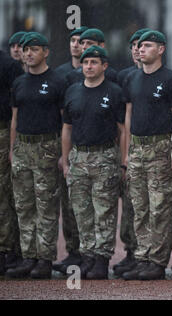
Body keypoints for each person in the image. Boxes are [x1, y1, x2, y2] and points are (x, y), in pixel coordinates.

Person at [62, 46, 126, 280]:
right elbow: (66, 129)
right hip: (79, 157)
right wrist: (67, 160)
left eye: (94, 62)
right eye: (85, 62)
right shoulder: (72, 92)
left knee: (104, 211)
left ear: (104, 66)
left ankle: (102, 259)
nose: (88, 66)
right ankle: (87, 256)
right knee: (81, 211)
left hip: (105, 156)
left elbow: (122, 130)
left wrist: (121, 162)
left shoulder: (115, 92)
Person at [122, 30, 172, 281]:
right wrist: (126, 154)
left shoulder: (170, 79)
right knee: (139, 206)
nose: (140, 49)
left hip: (160, 148)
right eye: (139, 46)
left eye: (147, 45)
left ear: (161, 49)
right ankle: (142, 256)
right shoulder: (132, 78)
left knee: (160, 207)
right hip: (137, 147)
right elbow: (128, 116)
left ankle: (157, 261)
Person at [6, 33, 66, 279]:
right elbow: (14, 119)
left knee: (46, 206)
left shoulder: (57, 81)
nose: (28, 54)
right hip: (23, 147)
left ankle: (44, 258)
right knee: (24, 206)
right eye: (25, 50)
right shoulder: (19, 82)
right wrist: (12, 149)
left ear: (45, 52)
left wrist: (63, 153)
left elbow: (65, 122)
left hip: (47, 148)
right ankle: (28, 256)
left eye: (34, 49)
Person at [112, 28, 151, 278]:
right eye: (134, 45)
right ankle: (131, 251)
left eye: (142, 44)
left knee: (151, 205)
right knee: (131, 204)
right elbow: (121, 121)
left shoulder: (164, 78)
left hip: (153, 148)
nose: (138, 49)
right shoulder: (124, 78)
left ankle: (148, 256)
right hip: (129, 147)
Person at [51, 26, 89, 275]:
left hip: (94, 146)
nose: (77, 45)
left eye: (82, 41)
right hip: (69, 145)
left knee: (91, 204)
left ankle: (91, 253)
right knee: (69, 203)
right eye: (73, 40)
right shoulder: (62, 75)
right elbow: (60, 116)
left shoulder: (108, 76)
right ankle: (73, 250)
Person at [0, 46, 24, 276]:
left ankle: (7, 249)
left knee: (4, 193)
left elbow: (17, 109)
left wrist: (11, 145)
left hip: (3, 131)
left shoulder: (8, 65)